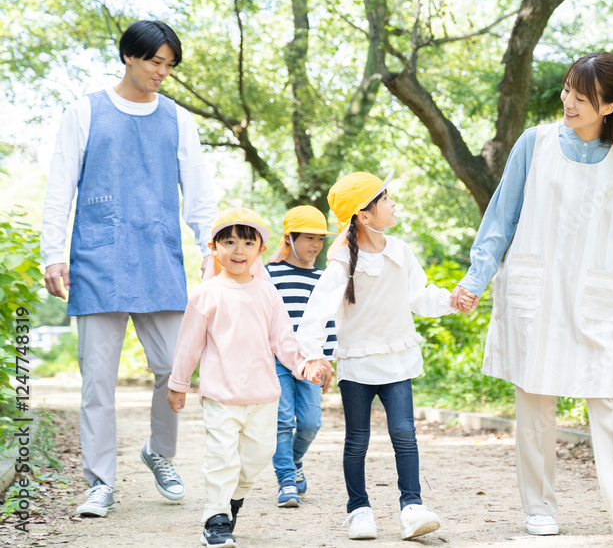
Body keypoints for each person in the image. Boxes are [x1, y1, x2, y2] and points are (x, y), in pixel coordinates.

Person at [451, 51, 613, 544]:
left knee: (609, 395)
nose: (568, 101)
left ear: (608, 107)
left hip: (597, 292)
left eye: (581, 98)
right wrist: (475, 280)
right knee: (535, 400)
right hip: (536, 289)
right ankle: (539, 508)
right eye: (567, 89)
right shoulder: (534, 143)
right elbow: (501, 217)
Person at [39, 20, 217, 518]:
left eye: (169, 65)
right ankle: (99, 483)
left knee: (173, 368)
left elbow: (199, 193)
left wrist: (211, 249)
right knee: (97, 379)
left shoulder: (178, 120)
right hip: (98, 259)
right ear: (129, 58)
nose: (163, 72)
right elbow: (60, 187)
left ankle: (160, 453)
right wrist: (53, 253)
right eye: (155, 62)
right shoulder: (85, 111)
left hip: (158, 258)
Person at [296, 171, 472, 541]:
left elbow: (420, 295)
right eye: (385, 198)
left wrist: (450, 300)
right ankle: (359, 510)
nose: (393, 204)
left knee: (405, 433)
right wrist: (313, 356)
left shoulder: (399, 251)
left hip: (397, 360)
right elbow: (316, 311)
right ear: (363, 214)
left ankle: (412, 507)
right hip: (358, 363)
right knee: (357, 439)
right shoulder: (343, 260)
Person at [167, 207, 329, 548]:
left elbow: (284, 340)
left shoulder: (268, 293)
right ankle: (215, 518)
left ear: (259, 250)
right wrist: (178, 384)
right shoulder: (206, 294)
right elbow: (188, 345)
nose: (238, 250)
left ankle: (232, 501)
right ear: (213, 247)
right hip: (220, 396)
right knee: (222, 457)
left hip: (263, 396)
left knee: (257, 457)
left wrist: (305, 366)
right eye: (229, 242)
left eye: (247, 243)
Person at [265, 205, 337, 508]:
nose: (316, 246)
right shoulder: (268, 274)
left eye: (320, 240)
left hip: (310, 360)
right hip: (276, 361)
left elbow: (328, 321)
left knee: (310, 423)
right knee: (282, 421)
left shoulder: (324, 277)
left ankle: (293, 461)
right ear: (289, 238)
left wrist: (327, 360)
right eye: (308, 238)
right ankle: (285, 480)